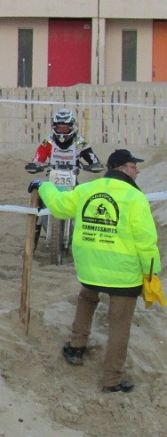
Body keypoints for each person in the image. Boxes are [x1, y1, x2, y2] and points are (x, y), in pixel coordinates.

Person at [32, 149, 160, 393]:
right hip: (123, 272)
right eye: (134, 166)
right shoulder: (135, 197)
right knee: (119, 325)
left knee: (87, 298)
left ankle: (76, 347)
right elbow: (146, 241)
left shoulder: (88, 189)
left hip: (90, 266)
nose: (138, 171)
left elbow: (59, 206)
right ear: (121, 167)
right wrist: (150, 273)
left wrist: (43, 186)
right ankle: (111, 380)